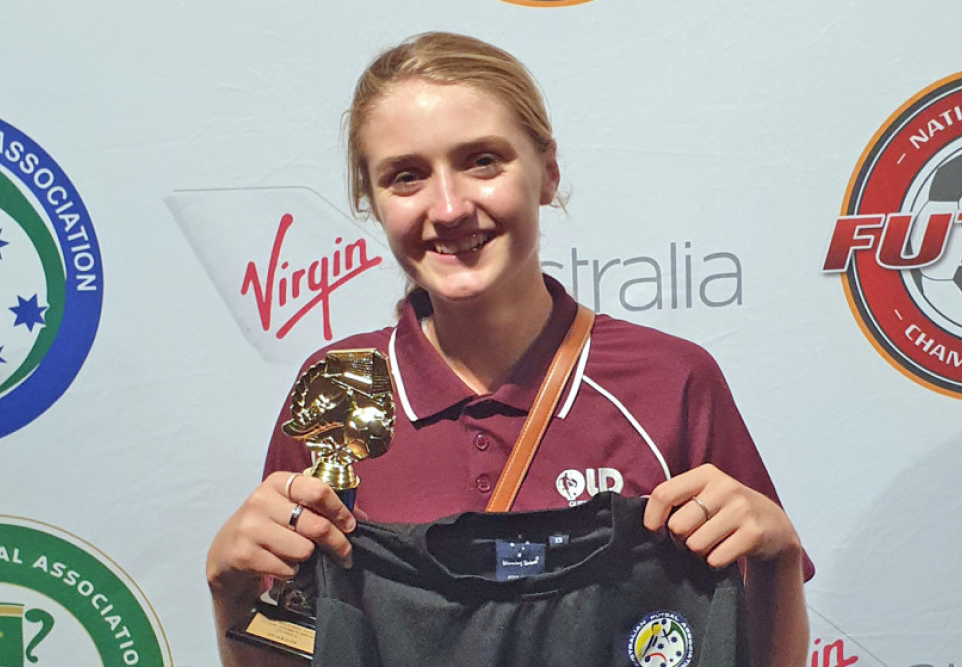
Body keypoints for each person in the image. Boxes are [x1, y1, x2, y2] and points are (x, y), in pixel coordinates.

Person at [207, 31, 810, 666]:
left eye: (483, 161)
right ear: (371, 201)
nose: (447, 206)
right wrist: (232, 592)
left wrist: (778, 560)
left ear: (547, 171)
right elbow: (297, 651)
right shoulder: (339, 392)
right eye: (406, 176)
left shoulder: (669, 381)